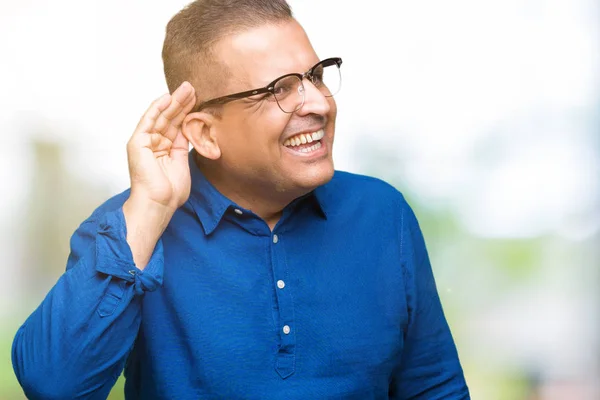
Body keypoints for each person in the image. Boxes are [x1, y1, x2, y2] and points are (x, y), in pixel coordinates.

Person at [12, 0, 470, 399]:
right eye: (280, 89)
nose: (319, 103)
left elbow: (435, 388)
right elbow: (55, 387)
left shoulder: (382, 214)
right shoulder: (130, 226)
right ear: (205, 134)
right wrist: (150, 210)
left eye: (315, 75)